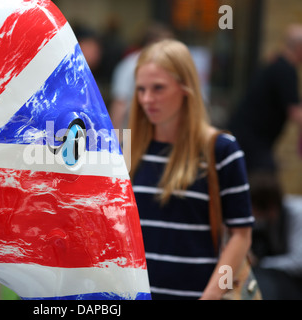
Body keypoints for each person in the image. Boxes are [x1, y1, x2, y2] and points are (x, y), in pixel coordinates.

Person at [129, 39, 254, 300]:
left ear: (185, 87)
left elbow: (241, 237)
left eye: (158, 88)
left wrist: (211, 296)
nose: (147, 99)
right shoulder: (127, 148)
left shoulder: (221, 150)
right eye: (141, 90)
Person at [228, 24, 302, 175]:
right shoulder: (285, 70)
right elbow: (295, 112)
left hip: (248, 138)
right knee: (265, 184)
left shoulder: (276, 63)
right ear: (299, 48)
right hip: (252, 140)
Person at [110, 23, 174, 131]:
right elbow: (120, 102)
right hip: (132, 131)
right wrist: (115, 136)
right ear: (150, 43)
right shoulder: (130, 65)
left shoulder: (168, 65)